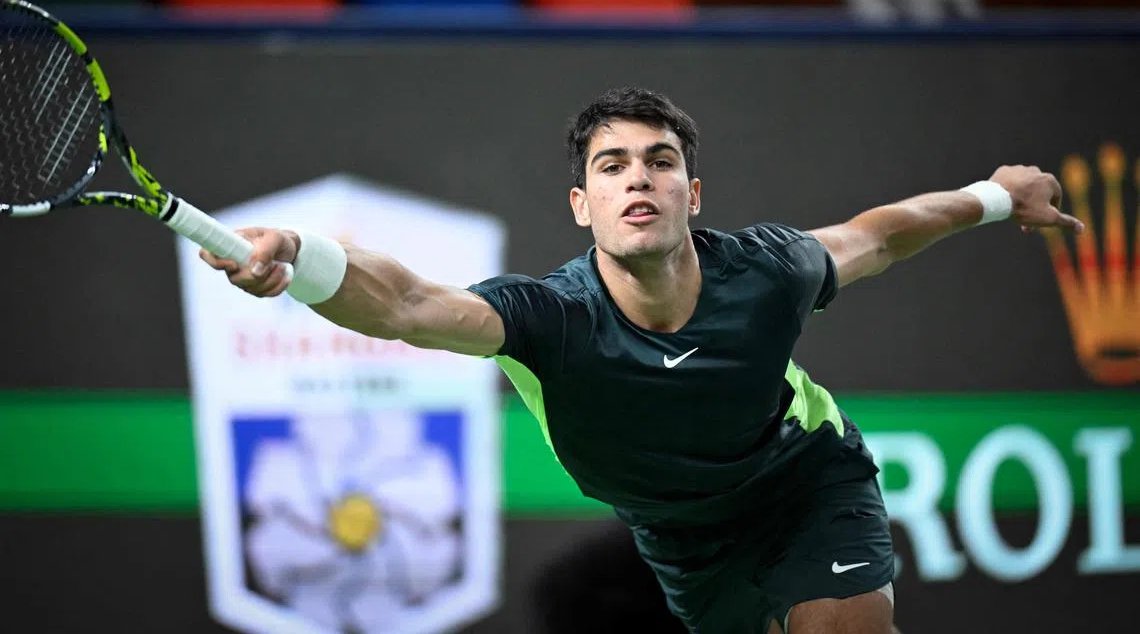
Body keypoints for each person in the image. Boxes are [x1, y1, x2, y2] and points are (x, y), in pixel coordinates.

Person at [201, 87, 1084, 633]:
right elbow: (403, 301)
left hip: (804, 484)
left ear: (689, 195)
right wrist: (301, 255)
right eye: (613, 165)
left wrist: (997, 197)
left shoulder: (766, 270)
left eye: (660, 162)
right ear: (583, 205)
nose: (639, 178)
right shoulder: (547, 318)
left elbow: (880, 237)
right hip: (688, 546)